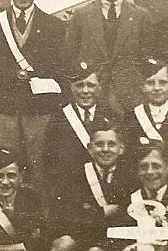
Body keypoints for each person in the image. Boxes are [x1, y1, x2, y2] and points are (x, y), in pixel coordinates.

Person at [0, 0, 67, 197]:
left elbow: (59, 67)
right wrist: (16, 77)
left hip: (39, 110)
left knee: (41, 168)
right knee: (3, 168)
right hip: (4, 109)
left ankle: (42, 224)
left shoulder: (54, 26)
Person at [65, 0, 153, 115]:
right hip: (92, 98)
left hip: (131, 98)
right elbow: (70, 57)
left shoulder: (141, 16)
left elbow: (147, 59)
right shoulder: (81, 16)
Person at [49, 123, 136, 251]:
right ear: (90, 149)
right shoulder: (76, 176)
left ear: (121, 149)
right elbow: (66, 216)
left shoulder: (131, 177)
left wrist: (91, 214)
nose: (105, 150)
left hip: (114, 243)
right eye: (99, 144)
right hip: (82, 238)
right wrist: (102, 212)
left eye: (112, 144)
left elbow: (128, 214)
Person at [44, 60, 120, 189]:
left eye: (91, 85)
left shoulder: (112, 116)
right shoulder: (58, 118)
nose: (85, 91)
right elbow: (50, 161)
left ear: (100, 87)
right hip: (70, 187)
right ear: (71, 87)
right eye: (79, 85)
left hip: (104, 189)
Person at [124, 57, 168, 180]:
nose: (156, 88)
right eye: (150, 83)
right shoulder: (132, 117)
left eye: (163, 83)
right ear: (142, 87)